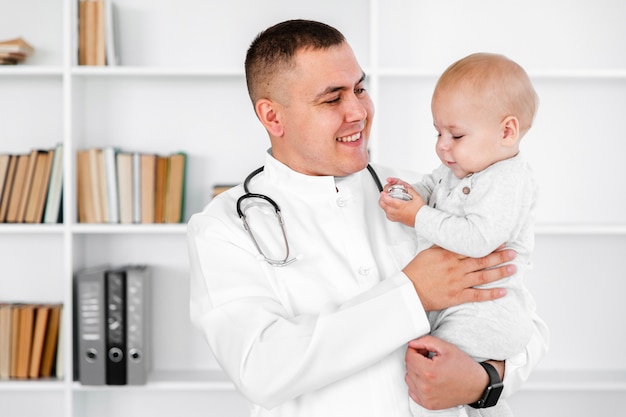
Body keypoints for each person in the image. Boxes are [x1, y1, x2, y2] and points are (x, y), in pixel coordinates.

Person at [187, 20, 549, 417]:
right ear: (273, 118)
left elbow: (521, 318)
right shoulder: (223, 229)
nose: (358, 111)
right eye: (332, 99)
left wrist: (485, 380)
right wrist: (412, 292)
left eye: (360, 88)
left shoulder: (421, 196)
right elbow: (259, 368)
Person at [379, 53, 542, 417]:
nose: (442, 145)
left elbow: (478, 239)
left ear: (507, 132)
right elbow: (432, 184)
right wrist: (410, 191)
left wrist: (417, 215)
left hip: (487, 312)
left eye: (455, 134)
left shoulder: (506, 180)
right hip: (459, 306)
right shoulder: (463, 165)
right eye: (438, 132)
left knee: (431, 370)